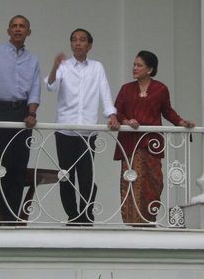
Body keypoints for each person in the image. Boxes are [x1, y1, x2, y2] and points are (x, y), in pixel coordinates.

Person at [45, 28, 119, 225]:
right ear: (71, 44)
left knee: (86, 176)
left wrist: (111, 114)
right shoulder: (63, 66)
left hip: (87, 131)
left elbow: (104, 91)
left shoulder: (97, 67)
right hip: (65, 130)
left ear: (90, 45)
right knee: (66, 176)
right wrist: (54, 66)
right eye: (74, 40)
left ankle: (86, 215)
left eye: (82, 40)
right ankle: (72, 216)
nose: (77, 43)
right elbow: (50, 86)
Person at [114, 50, 194, 225]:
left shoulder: (160, 89)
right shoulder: (126, 89)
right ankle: (133, 223)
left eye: (139, 65)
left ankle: (149, 220)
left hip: (151, 144)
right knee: (132, 183)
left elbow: (167, 111)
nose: (134, 68)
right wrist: (127, 121)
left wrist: (181, 122)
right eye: (134, 64)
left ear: (149, 69)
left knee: (154, 183)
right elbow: (116, 112)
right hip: (131, 144)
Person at [0, 15, 41, 225]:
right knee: (2, 166)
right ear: (8, 30)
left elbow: (35, 90)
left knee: (19, 167)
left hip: (22, 113)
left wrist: (31, 113)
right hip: (0, 111)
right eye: (14, 26)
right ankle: (3, 218)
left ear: (28, 32)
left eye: (22, 26)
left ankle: (11, 219)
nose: (18, 29)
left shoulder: (32, 60)